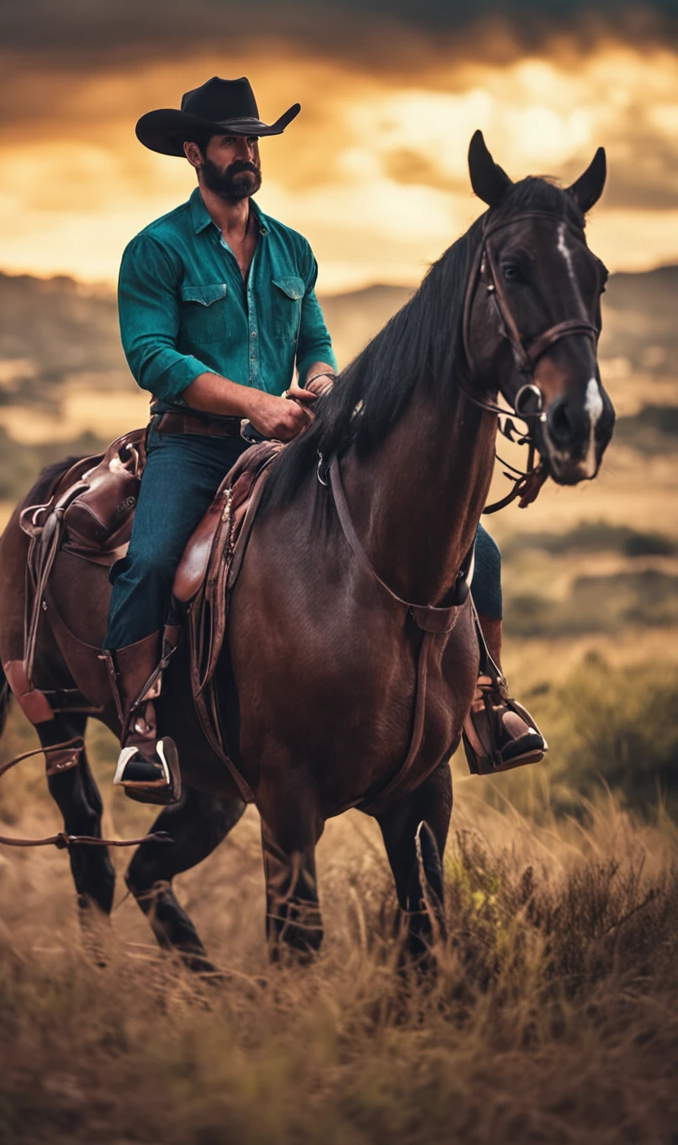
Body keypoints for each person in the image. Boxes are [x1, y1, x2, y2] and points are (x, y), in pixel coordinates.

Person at [104, 75, 545, 804]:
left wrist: (321, 381)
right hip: (195, 443)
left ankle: (487, 701)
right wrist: (256, 403)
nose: (245, 153)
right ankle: (143, 726)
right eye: (229, 142)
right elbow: (153, 355)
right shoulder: (155, 249)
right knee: (151, 560)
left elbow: (314, 338)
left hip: (291, 441)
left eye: (253, 141)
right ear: (193, 152)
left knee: (477, 548)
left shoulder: (293, 250)